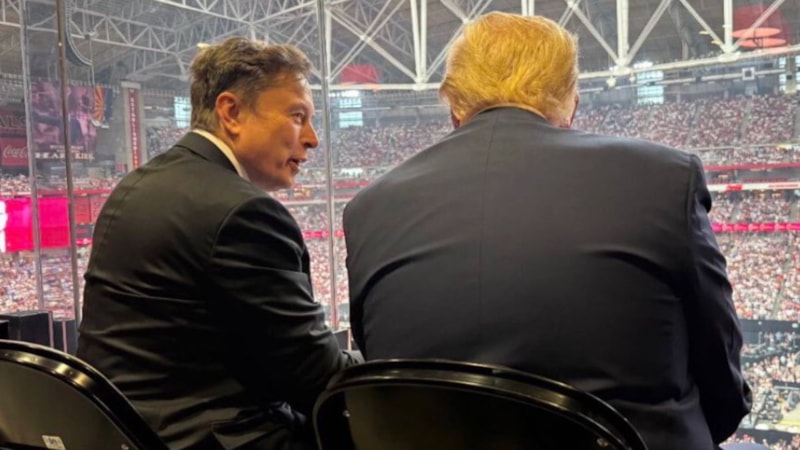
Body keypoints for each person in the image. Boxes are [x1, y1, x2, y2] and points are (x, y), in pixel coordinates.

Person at [343, 12, 751, 450]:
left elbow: (381, 371)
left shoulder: (368, 209)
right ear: (571, 101)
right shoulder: (664, 177)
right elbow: (722, 379)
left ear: (454, 107)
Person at [78, 37, 361, 450]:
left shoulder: (134, 186)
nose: (313, 138)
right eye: (297, 116)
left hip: (127, 435)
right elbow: (316, 378)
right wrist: (381, 361)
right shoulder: (243, 212)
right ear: (231, 112)